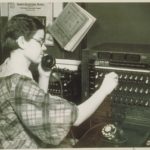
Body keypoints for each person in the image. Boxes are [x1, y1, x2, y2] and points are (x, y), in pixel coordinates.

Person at [0, 14, 118, 149]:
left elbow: (36, 112)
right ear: (22, 42)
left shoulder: (6, 67)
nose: (44, 48)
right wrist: (104, 89)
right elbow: (76, 118)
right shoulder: (19, 84)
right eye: (40, 41)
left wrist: (43, 77)